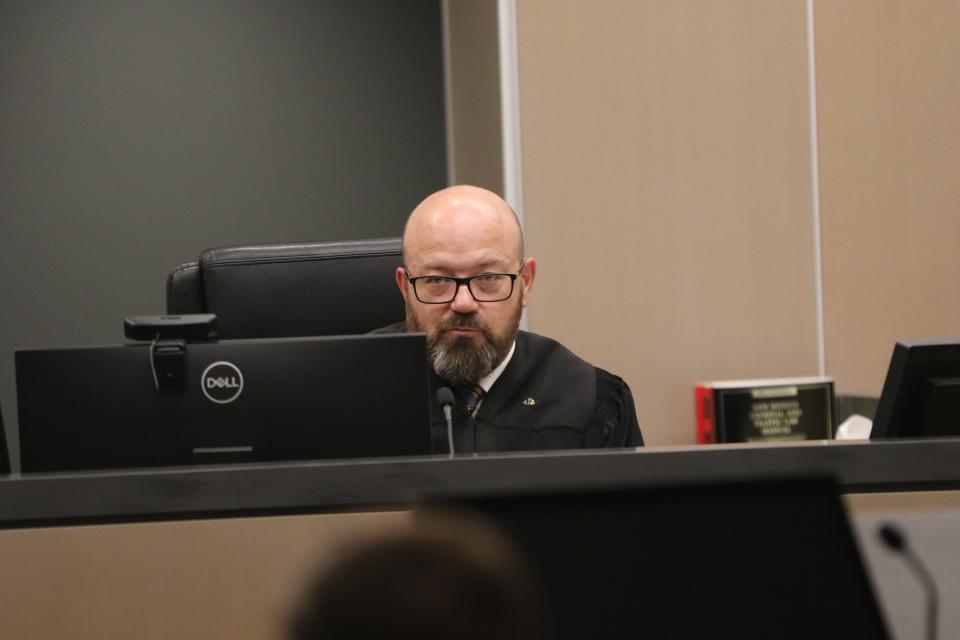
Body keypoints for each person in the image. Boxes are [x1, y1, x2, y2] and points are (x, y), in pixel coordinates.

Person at [374, 185, 643, 454]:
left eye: (488, 278)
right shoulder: (353, 391)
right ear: (405, 287)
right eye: (437, 280)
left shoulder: (588, 398)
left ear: (525, 283)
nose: (463, 303)